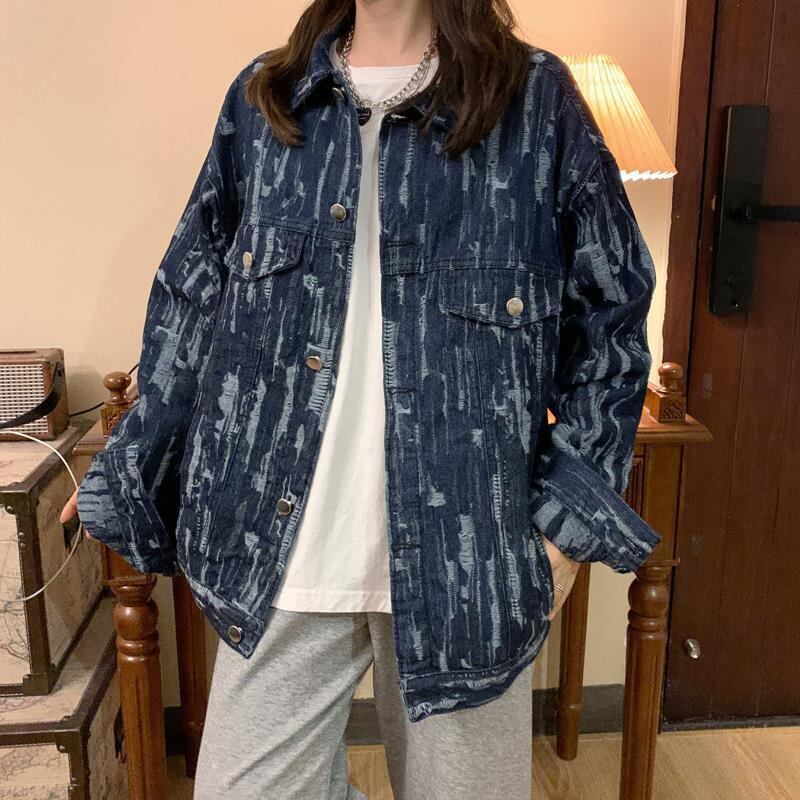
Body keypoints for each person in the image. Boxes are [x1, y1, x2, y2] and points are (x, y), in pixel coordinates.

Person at [61, 1, 663, 797]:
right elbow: (194, 300)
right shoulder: (266, 98)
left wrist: (566, 530)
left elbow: (612, 316)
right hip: (283, 543)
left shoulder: (533, 99)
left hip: (468, 561)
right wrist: (130, 462)